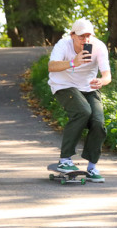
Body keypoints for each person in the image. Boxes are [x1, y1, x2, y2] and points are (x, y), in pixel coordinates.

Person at [47, 18, 112, 182]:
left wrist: (101, 81)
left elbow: (107, 75)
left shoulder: (98, 47)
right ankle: (65, 160)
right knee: (83, 111)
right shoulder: (63, 45)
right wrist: (72, 62)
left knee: (98, 123)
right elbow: (51, 66)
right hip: (63, 85)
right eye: (82, 37)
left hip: (89, 87)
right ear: (72, 35)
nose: (86, 40)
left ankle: (92, 168)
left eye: (89, 36)